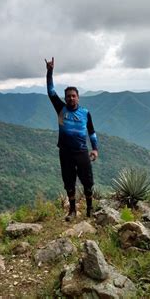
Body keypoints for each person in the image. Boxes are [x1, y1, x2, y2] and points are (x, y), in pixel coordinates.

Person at [45, 57, 99, 221]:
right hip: (65, 152)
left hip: (82, 152)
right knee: (69, 182)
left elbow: (91, 131)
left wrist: (95, 148)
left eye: (73, 96)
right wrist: (50, 72)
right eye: (68, 96)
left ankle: (89, 210)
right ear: (65, 97)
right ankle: (73, 210)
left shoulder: (85, 113)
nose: (70, 98)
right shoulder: (61, 109)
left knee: (88, 182)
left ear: (78, 97)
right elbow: (51, 92)